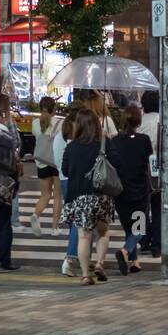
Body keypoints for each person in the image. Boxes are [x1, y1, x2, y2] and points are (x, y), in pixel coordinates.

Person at [61, 108, 114, 284]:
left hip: (79, 197)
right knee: (103, 232)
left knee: (84, 236)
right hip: (101, 196)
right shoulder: (103, 144)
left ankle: (85, 275)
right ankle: (99, 263)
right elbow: (116, 165)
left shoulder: (71, 147)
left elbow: (65, 171)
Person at [106, 105, 152, 275]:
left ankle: (134, 262)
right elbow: (148, 165)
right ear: (138, 121)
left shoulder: (114, 141)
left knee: (129, 228)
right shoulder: (144, 140)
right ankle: (125, 251)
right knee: (139, 228)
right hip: (139, 191)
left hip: (120, 191)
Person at [0, 93, 23, 272]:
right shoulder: (8, 123)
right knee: (4, 222)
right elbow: (16, 144)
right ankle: (4, 260)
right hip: (4, 179)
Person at [28, 97, 61, 236]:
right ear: (54, 109)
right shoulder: (60, 123)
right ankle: (54, 228)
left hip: (41, 162)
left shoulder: (35, 123)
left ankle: (36, 214)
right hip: (56, 161)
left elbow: (36, 136)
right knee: (57, 196)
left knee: (45, 195)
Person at [140, 90, 162, 256]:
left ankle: (142, 240)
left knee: (141, 208)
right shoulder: (162, 122)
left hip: (139, 169)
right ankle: (157, 244)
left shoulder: (138, 121)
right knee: (157, 208)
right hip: (157, 168)